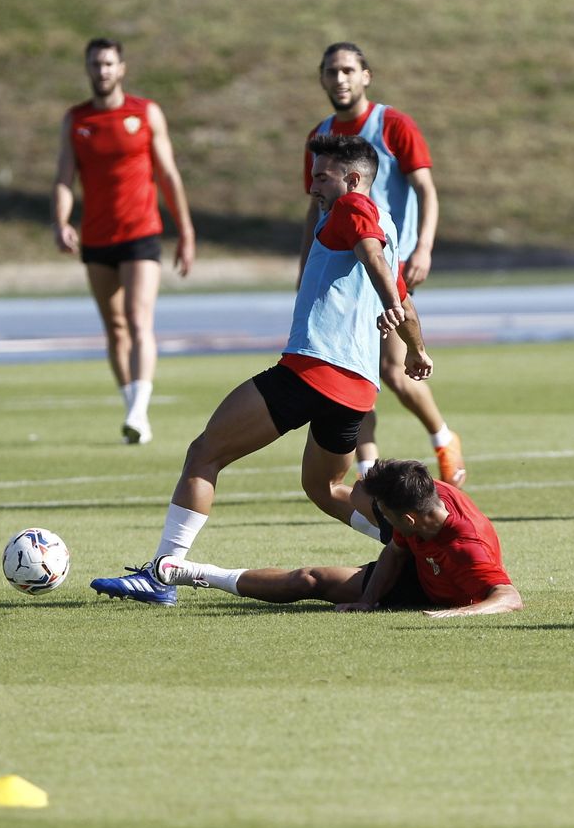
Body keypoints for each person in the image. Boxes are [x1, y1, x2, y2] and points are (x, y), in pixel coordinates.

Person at [91, 135, 432, 605]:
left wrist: (390, 305)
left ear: (354, 179)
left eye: (322, 176)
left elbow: (376, 266)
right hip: (356, 389)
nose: (313, 186)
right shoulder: (387, 225)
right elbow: (403, 298)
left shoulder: (352, 207)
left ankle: (161, 574)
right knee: (325, 487)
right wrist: (416, 349)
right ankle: (417, 548)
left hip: (312, 369)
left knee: (205, 453)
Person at [303, 42, 466, 486]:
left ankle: (443, 437)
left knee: (393, 370)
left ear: (366, 76)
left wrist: (424, 248)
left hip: (387, 267)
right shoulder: (321, 136)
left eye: (348, 70)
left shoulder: (392, 125)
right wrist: (305, 271)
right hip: (341, 274)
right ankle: (368, 474)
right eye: (331, 71)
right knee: (353, 369)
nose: (340, 79)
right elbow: (314, 207)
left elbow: (426, 189)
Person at [52, 37, 196, 444]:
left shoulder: (145, 113)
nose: (102, 71)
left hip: (141, 233)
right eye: (95, 64)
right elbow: (64, 178)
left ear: (121, 68)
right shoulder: (76, 120)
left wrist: (185, 231)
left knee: (136, 318)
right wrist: (60, 221)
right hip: (97, 237)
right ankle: (132, 407)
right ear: (87, 69)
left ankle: (138, 412)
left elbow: (168, 175)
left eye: (108, 64)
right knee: (115, 328)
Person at [154, 458, 522, 617]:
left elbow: (509, 598)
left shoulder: (467, 547)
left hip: (431, 590)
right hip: (414, 563)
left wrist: (457, 614)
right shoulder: (422, 499)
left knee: (310, 576)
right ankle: (190, 571)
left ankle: (197, 572)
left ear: (408, 518)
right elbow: (396, 551)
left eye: (384, 513)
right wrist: (367, 600)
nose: (380, 515)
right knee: (309, 577)